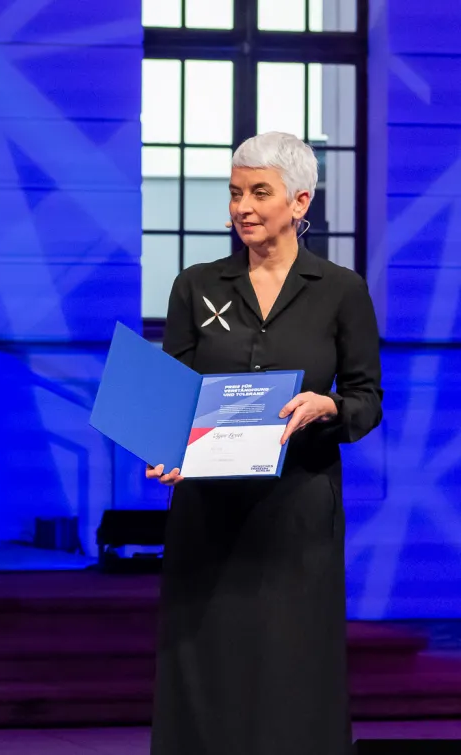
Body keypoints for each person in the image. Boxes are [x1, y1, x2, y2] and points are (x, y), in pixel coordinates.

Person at [146, 131, 383, 755]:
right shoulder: (196, 285)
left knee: (291, 666)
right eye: (234, 194)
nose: (242, 207)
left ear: (300, 203)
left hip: (297, 511)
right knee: (206, 660)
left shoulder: (341, 290)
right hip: (208, 510)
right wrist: (165, 447)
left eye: (259, 192)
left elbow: (367, 398)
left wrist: (329, 406)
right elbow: (171, 396)